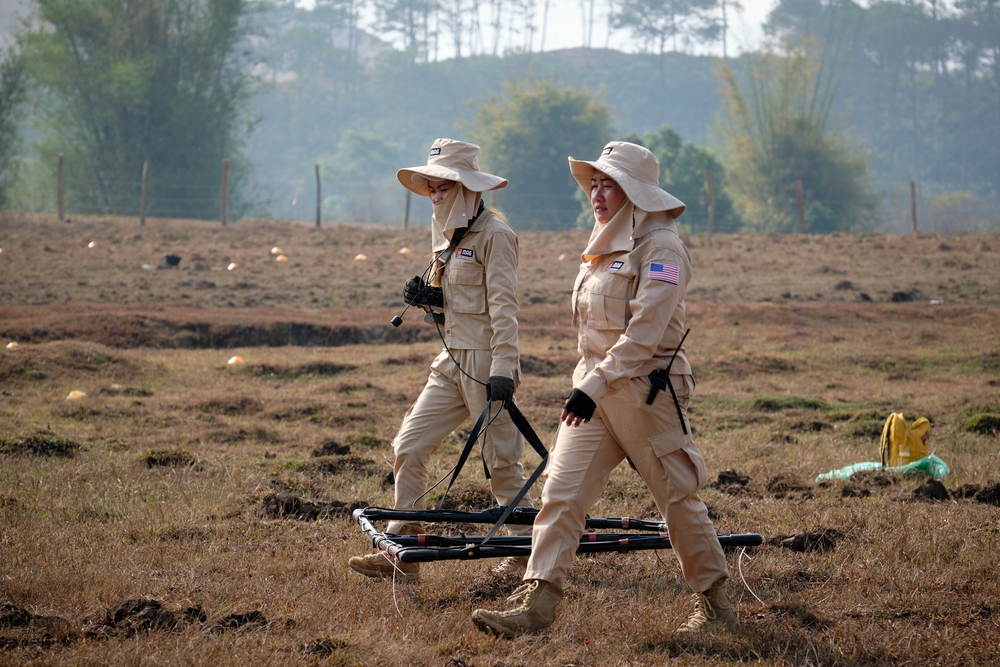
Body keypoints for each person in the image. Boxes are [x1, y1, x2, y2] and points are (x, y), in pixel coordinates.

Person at [471, 141, 738, 637]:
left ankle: (717, 609)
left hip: (645, 394)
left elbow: (645, 334)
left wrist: (593, 383)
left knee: (677, 499)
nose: (596, 192)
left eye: (608, 183)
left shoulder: (662, 247)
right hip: (594, 392)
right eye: (594, 183)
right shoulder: (603, 241)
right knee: (561, 494)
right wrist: (589, 383)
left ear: (635, 192)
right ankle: (538, 603)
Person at [349, 138, 531, 583]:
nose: (434, 195)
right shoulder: (447, 236)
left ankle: (528, 554)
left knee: (502, 463)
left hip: (487, 364)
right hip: (450, 361)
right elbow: (457, 303)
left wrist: (504, 369)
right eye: (430, 187)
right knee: (409, 444)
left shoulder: (497, 237)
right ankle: (403, 550)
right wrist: (430, 299)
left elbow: (504, 308)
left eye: (443, 188)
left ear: (468, 188)